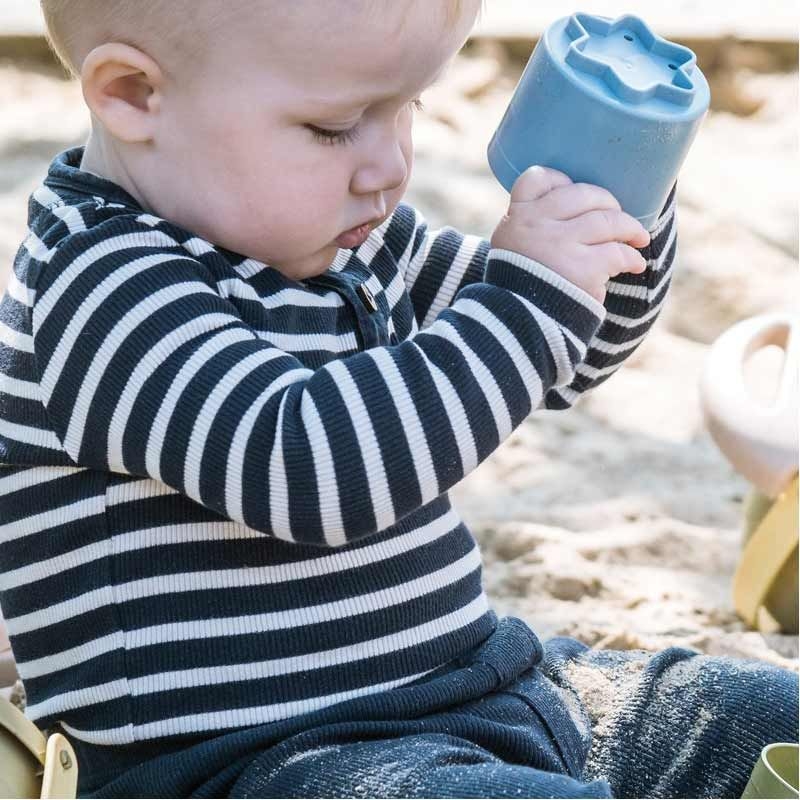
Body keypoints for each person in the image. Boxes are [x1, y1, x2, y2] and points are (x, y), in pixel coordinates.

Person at [0, 0, 795, 797]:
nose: (388, 167)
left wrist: (613, 206)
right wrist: (528, 298)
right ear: (135, 94)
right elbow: (304, 470)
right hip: (267, 759)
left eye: (406, 106)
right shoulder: (101, 288)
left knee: (755, 713)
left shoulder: (348, 239)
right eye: (335, 127)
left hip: (488, 687)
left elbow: (563, 356)